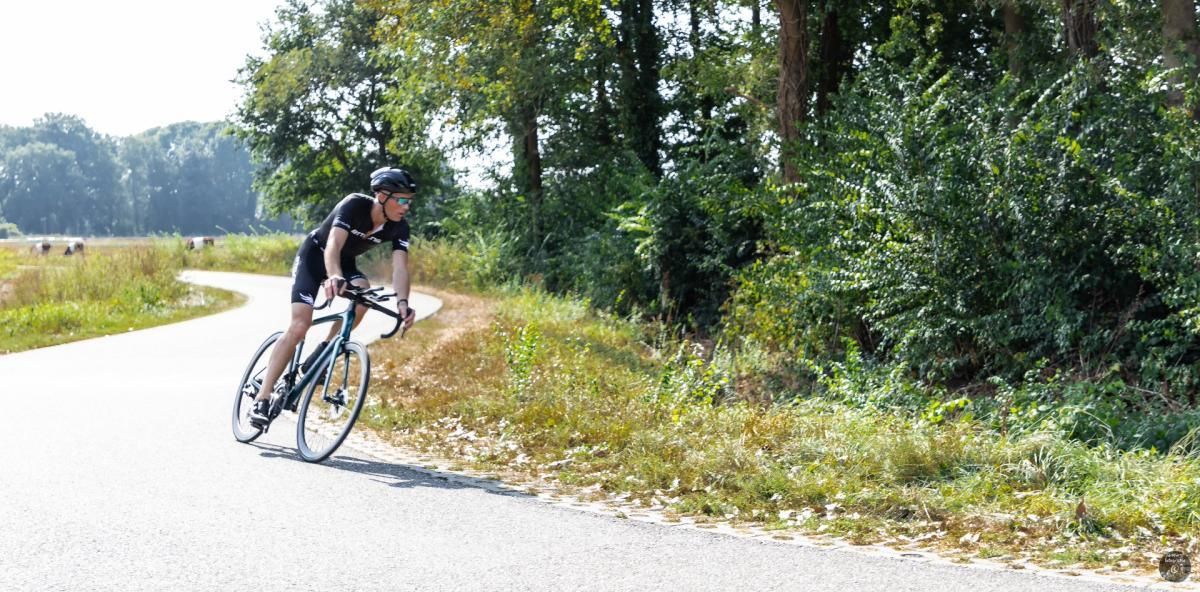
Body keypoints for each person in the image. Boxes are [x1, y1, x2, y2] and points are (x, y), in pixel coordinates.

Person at [248, 167, 418, 428]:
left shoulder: (399, 228)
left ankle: (323, 352)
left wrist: (403, 303)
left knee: (365, 293)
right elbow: (333, 246)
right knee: (300, 326)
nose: (406, 206)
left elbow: (400, 268)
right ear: (383, 196)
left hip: (345, 263)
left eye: (410, 200)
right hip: (316, 255)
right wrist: (334, 276)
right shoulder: (354, 206)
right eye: (402, 199)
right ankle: (262, 397)